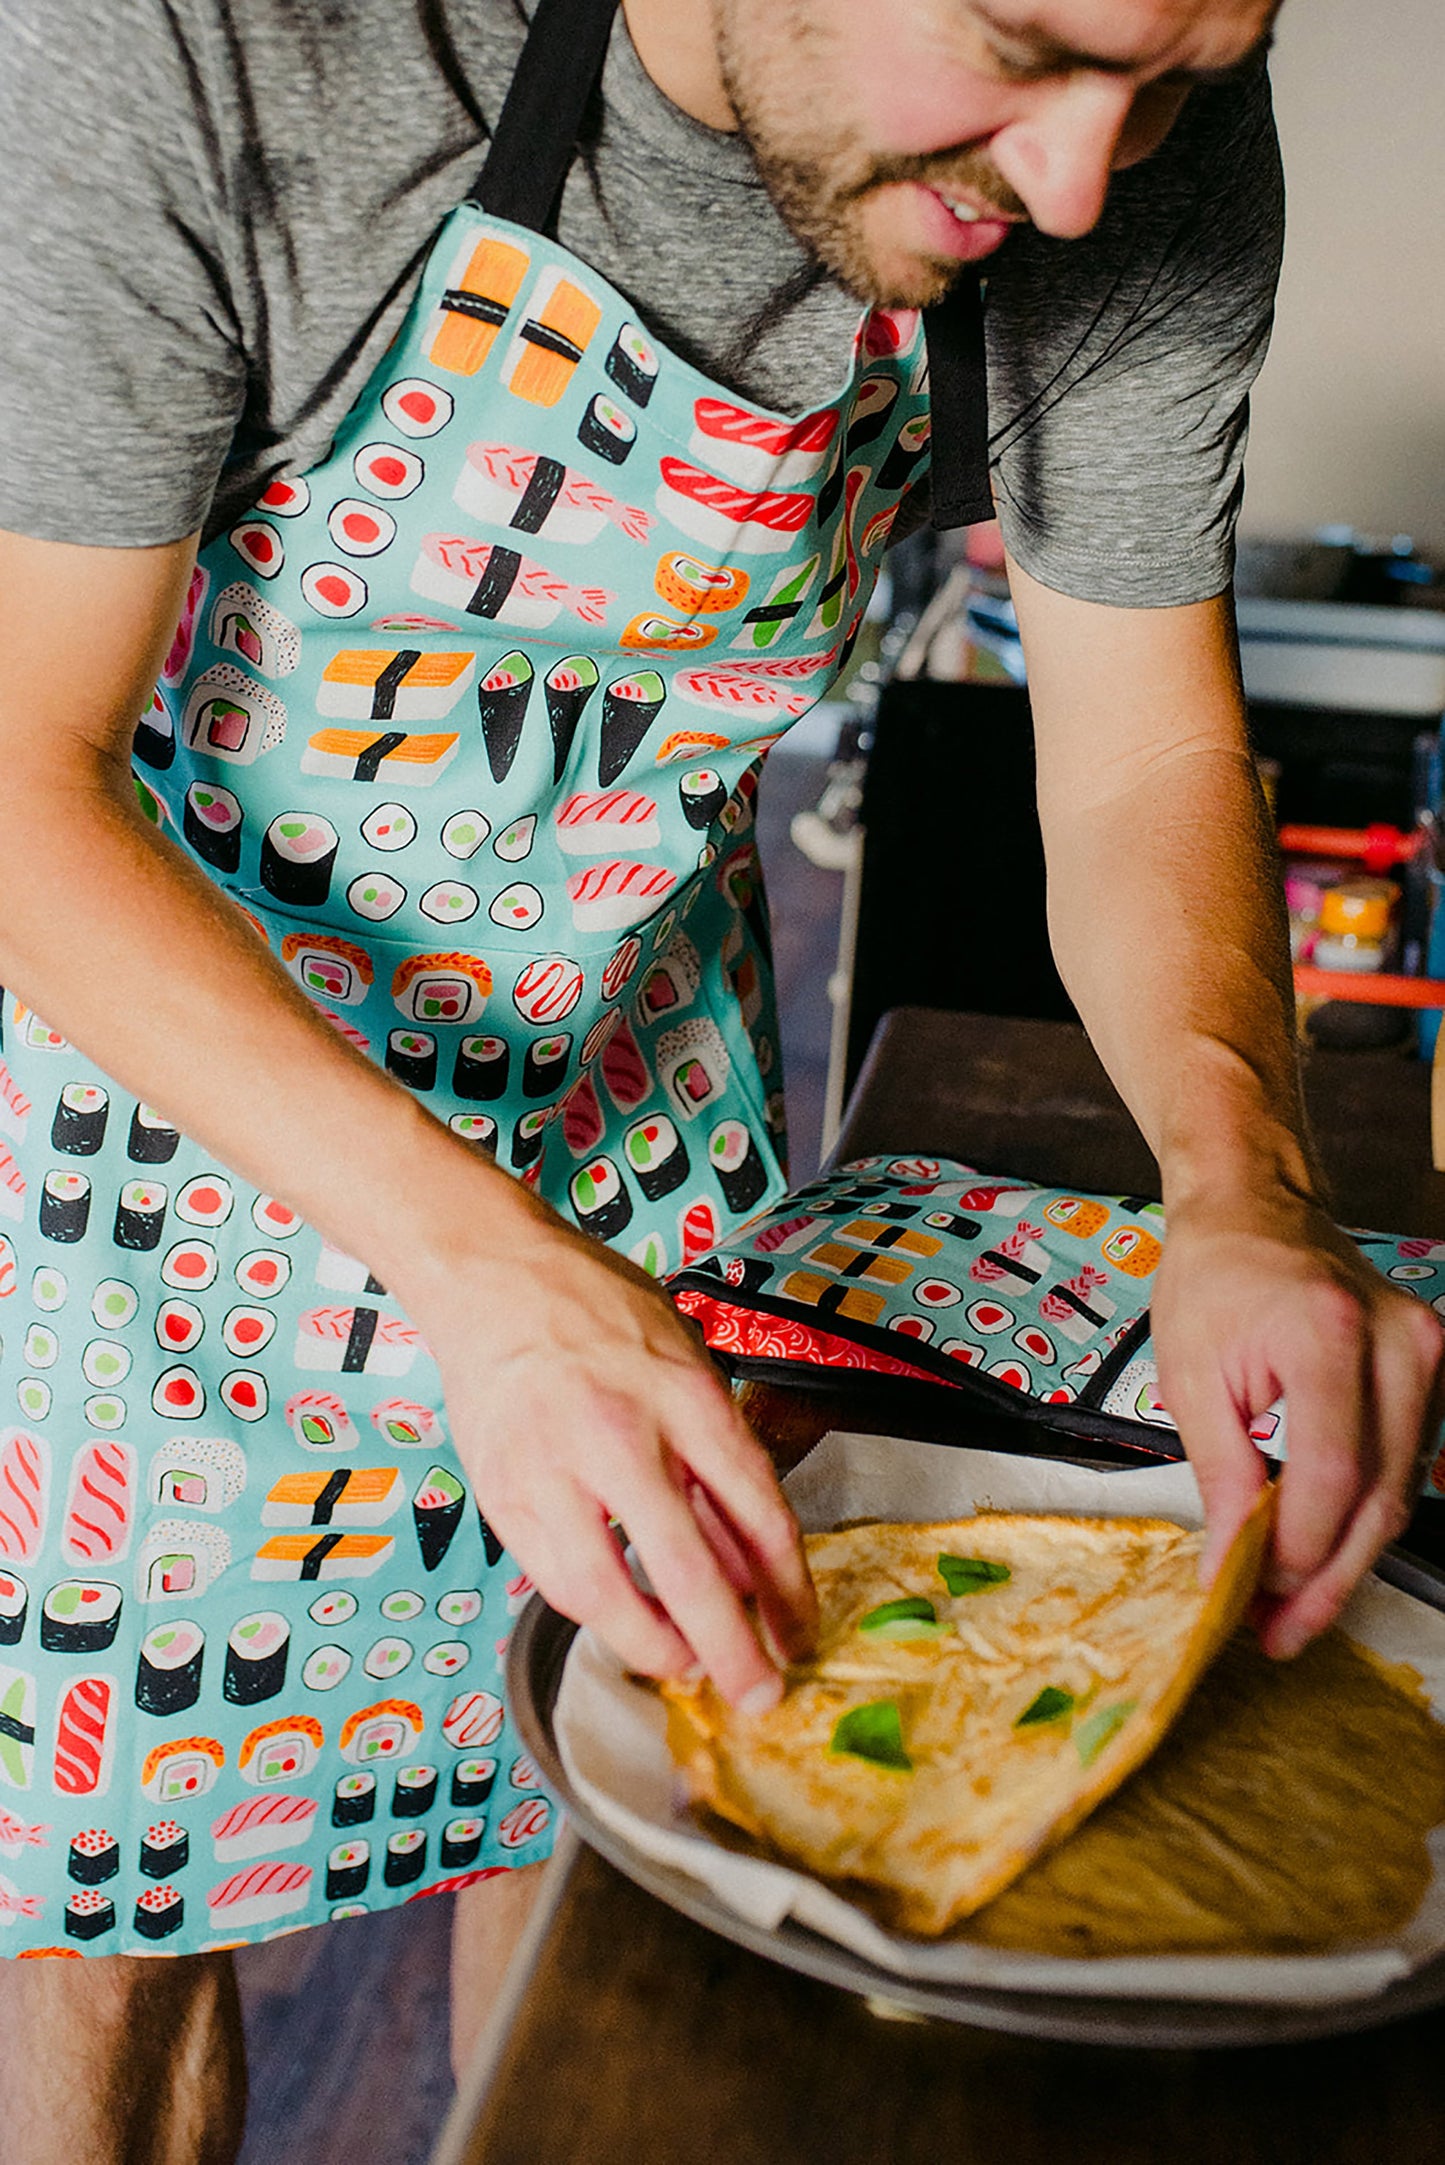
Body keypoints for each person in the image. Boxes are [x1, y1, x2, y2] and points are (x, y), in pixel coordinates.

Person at [0, 0, 1440, 2154]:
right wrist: (488, 1279)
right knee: (122, 1919)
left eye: (1164, 87)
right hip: (155, 1145)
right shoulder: (210, 44)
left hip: (633, 1089)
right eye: (1017, 48)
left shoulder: (1139, 110)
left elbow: (1140, 743)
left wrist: (1242, 1181)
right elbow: (18, 773)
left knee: (618, 1802)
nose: (1078, 180)